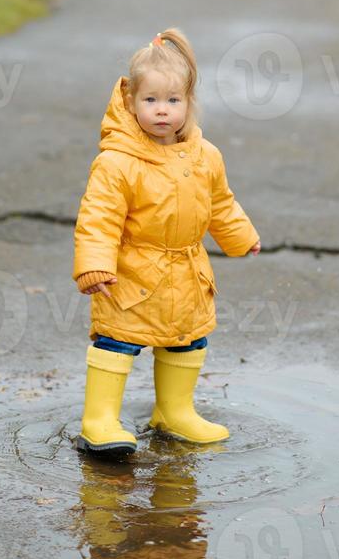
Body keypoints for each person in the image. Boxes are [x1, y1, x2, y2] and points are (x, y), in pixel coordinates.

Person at [72, 27, 261, 457]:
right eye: (150, 101)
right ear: (130, 102)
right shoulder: (117, 162)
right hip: (133, 274)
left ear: (188, 103)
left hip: (188, 271)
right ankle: (99, 419)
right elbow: (98, 217)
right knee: (118, 339)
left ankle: (174, 411)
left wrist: (240, 236)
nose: (162, 111)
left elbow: (220, 203)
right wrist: (93, 264)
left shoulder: (205, 155)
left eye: (173, 101)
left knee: (186, 337)